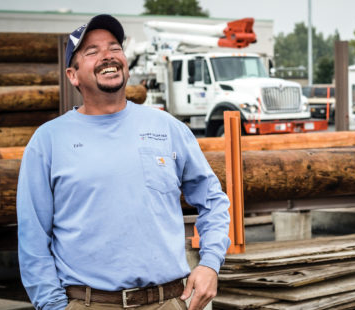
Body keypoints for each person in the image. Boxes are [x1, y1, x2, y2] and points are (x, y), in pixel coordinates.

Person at [17, 14, 230, 310]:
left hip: (168, 301)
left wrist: (210, 264)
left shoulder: (168, 128)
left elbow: (213, 200)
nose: (107, 56)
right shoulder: (48, 142)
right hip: (90, 304)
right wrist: (53, 306)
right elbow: (33, 238)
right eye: (92, 52)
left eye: (114, 47)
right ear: (73, 75)